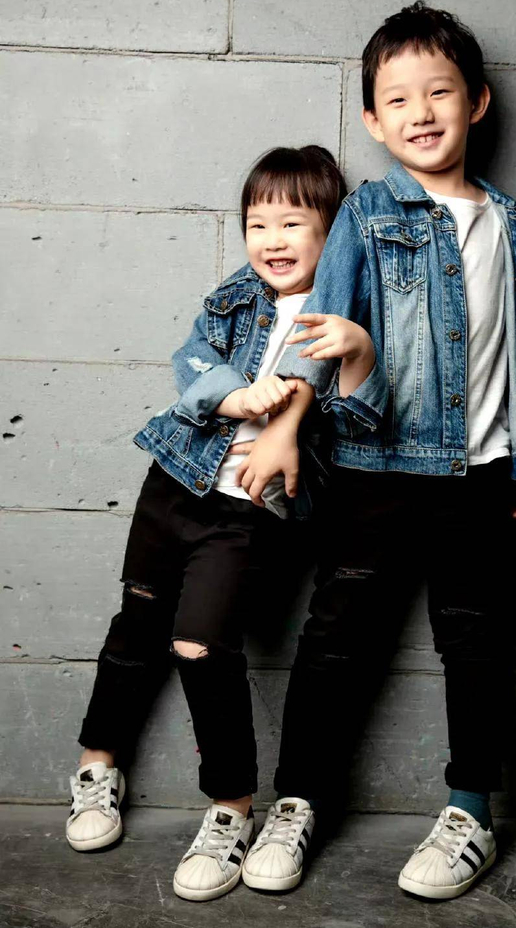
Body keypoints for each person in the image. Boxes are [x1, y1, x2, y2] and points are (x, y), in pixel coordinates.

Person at [235, 3, 516, 902]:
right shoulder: (367, 213)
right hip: (374, 468)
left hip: (479, 473)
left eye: (439, 92)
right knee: (337, 638)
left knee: (476, 641)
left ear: (477, 102)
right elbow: (320, 327)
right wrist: (286, 427)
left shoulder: (510, 222)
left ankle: (469, 811)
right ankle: (297, 800)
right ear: (373, 120)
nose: (421, 112)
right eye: (398, 99)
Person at [64, 145, 376, 903]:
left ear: (332, 232)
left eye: (292, 222)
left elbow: (360, 414)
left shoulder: (347, 316)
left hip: (249, 509)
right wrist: (234, 397)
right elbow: (193, 361)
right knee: (136, 623)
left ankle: (231, 807)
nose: (271, 239)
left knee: (199, 644)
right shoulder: (238, 293)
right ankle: (97, 764)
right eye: (256, 223)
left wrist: (354, 361)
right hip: (175, 480)